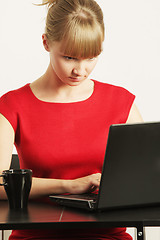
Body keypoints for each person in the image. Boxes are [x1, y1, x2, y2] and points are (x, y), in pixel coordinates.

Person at [0, 0, 143, 239]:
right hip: (36, 236)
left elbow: (147, 176)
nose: (81, 70)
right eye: (69, 58)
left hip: (106, 235)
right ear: (46, 42)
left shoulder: (121, 102)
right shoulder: (12, 105)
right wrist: (70, 185)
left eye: (91, 58)